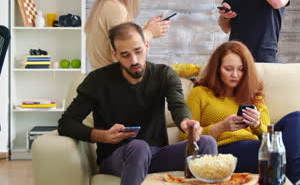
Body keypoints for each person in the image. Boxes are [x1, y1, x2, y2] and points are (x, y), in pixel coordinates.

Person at [58, 22, 217, 185]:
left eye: (138, 51)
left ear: (147, 46)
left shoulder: (164, 74)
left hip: (157, 155)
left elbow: (177, 105)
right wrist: (103, 136)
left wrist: (185, 121)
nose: (134, 60)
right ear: (115, 55)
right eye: (125, 55)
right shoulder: (97, 80)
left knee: (207, 143)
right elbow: (66, 124)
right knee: (139, 147)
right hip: (117, 157)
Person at [181, 41, 300, 185]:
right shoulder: (200, 93)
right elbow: (184, 137)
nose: (235, 75)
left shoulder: (254, 96)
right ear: (217, 68)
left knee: (297, 118)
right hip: (223, 151)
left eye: (241, 69)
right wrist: (221, 127)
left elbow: (268, 135)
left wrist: (257, 124)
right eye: (228, 69)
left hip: (257, 147)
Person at [85, 0, 171, 70]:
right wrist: (149, 32)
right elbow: (125, 54)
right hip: (111, 83)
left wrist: (143, 31)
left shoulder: (107, 3)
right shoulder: (116, 8)